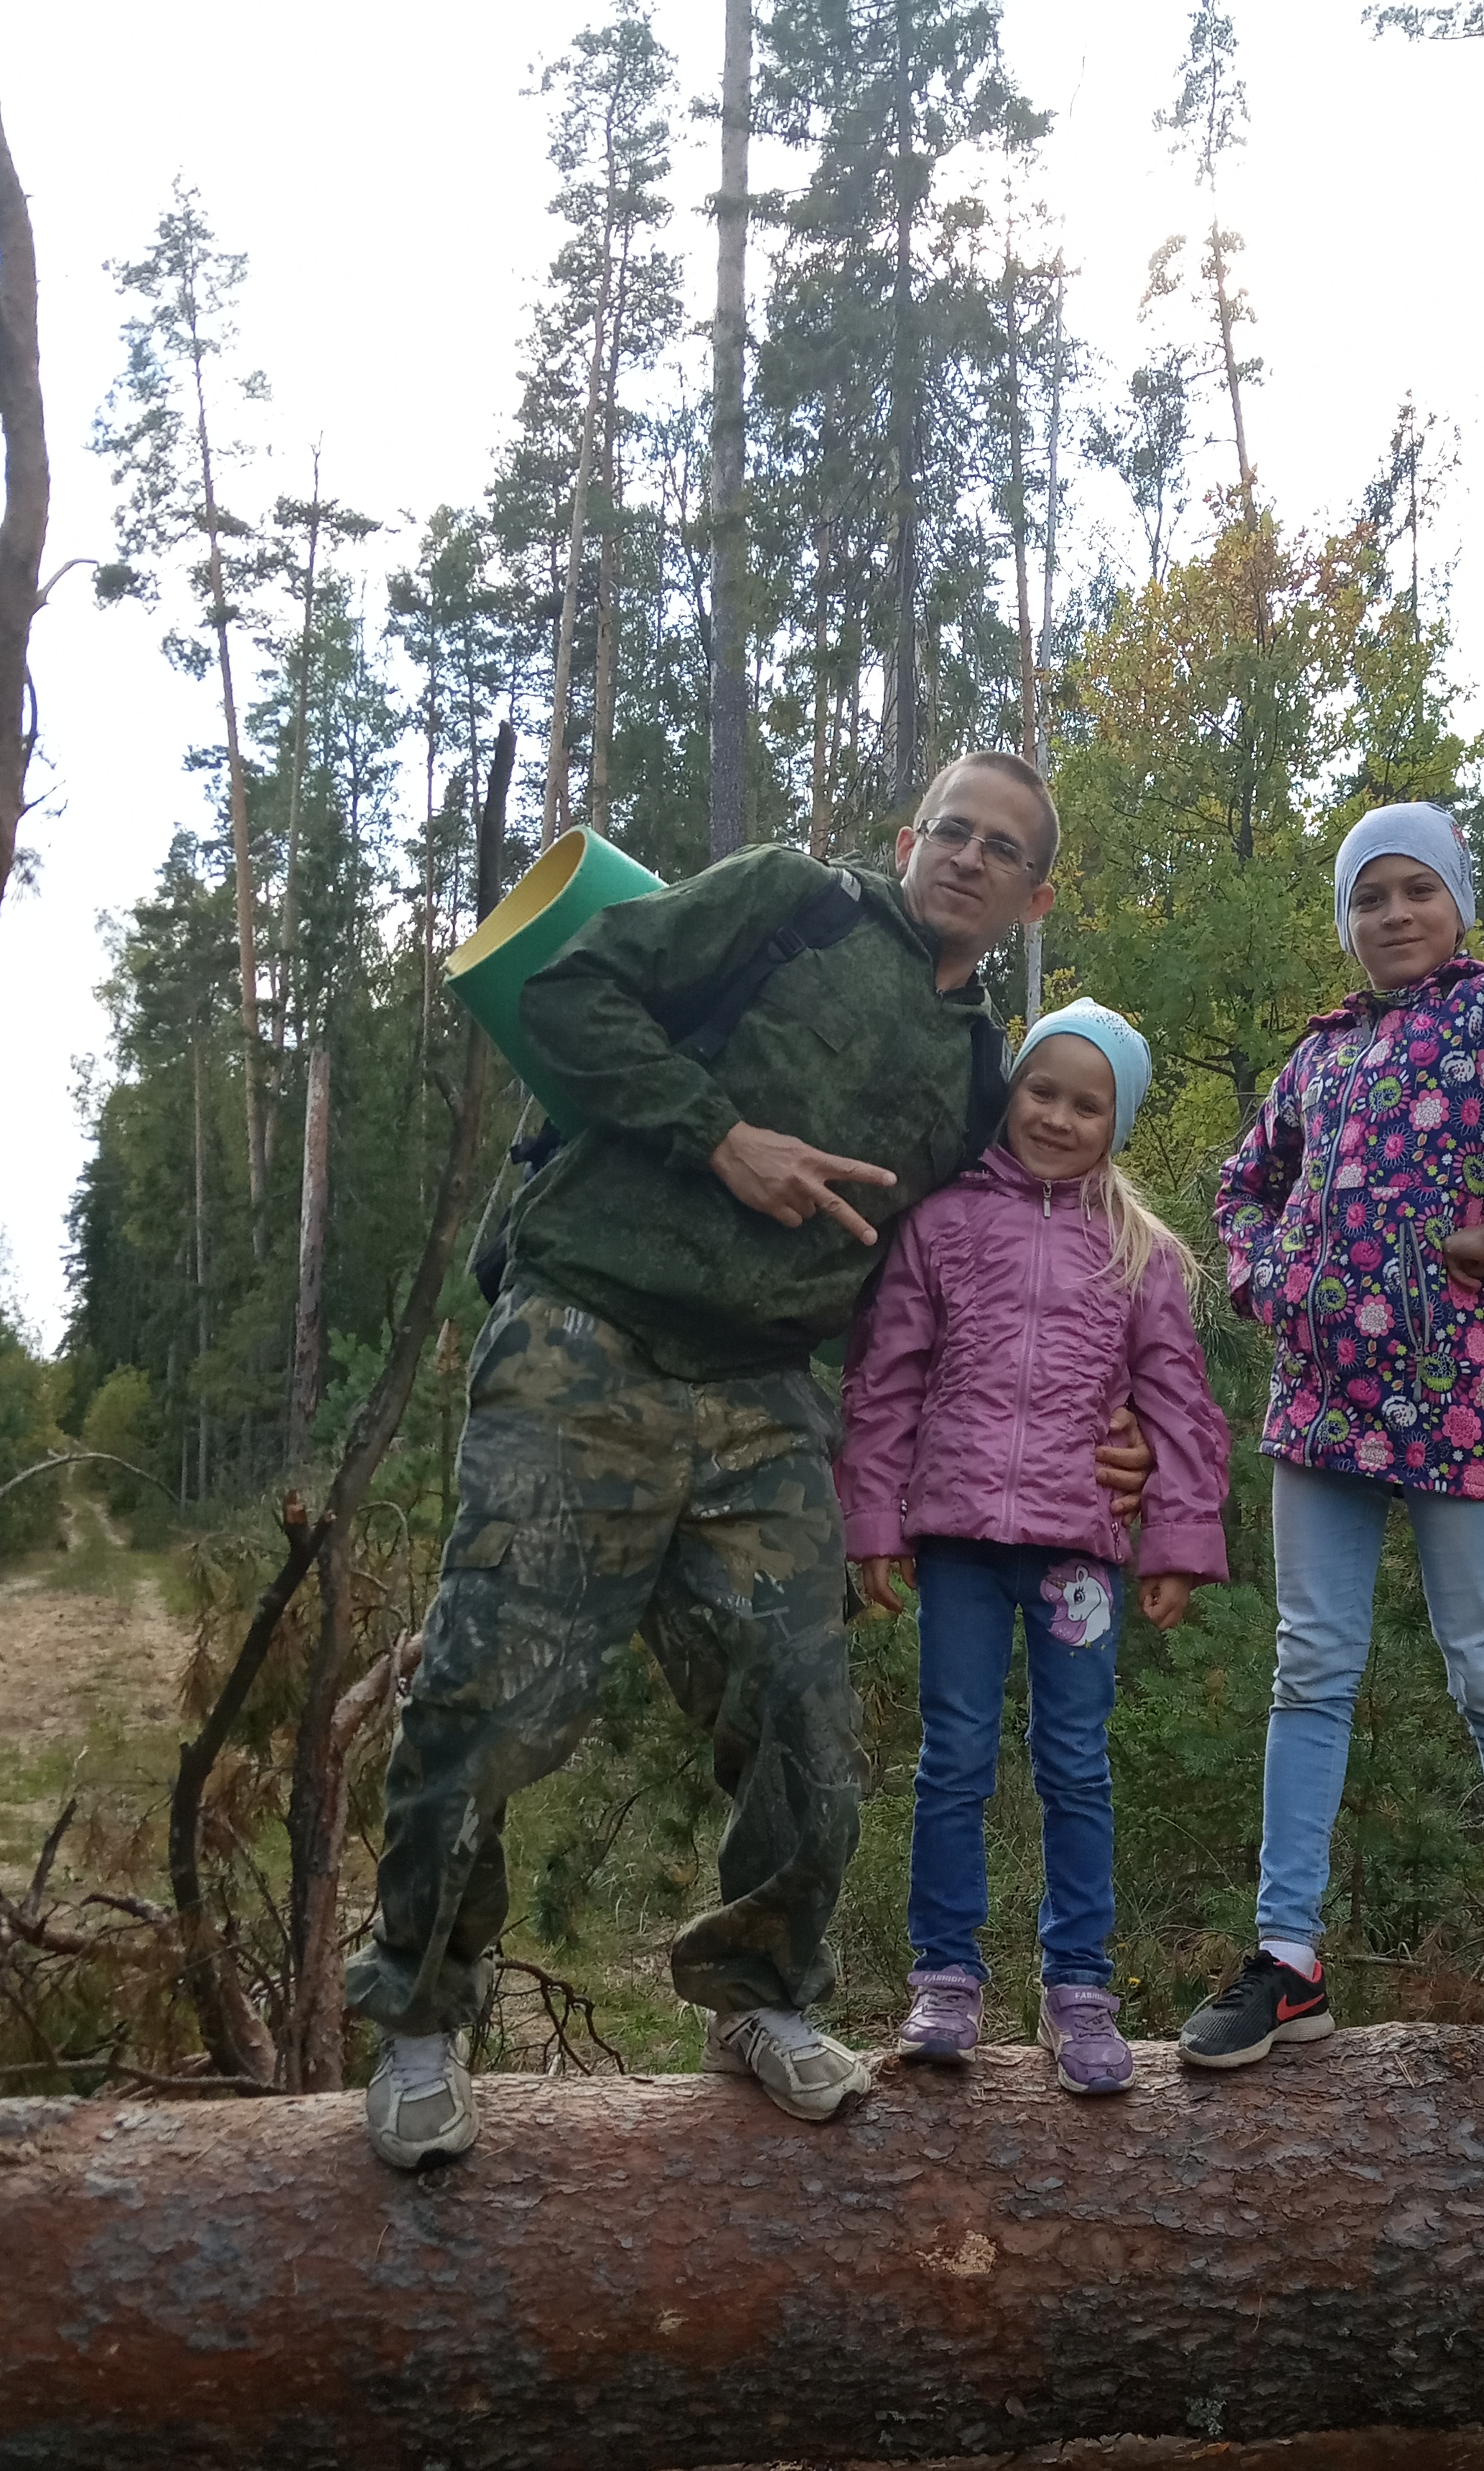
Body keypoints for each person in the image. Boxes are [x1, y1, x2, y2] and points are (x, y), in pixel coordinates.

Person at [348, 753, 1152, 2167]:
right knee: (490, 1692)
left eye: (1002, 848)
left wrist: (1104, 1422)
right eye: (952, 830)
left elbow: (987, 1271)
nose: (968, 857)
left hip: (767, 1394)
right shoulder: (792, 901)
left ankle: (759, 1994)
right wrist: (722, 1138)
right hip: (589, 1328)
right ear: (907, 839)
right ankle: (420, 2011)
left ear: (1036, 896)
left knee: (802, 1726)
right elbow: (565, 995)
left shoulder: (983, 1075)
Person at [1181, 803, 1484, 2085]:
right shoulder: (1321, 1053)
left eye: (1417, 890)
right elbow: (1241, 1185)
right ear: (1346, 920)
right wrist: (1266, 1278)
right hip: (1318, 1406)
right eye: (1369, 896)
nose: (1393, 914)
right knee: (1310, 1668)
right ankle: (1287, 1960)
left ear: (1458, 901)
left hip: (1460, 1392)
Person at [838, 1000, 1231, 2095]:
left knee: (1075, 1763)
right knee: (954, 1756)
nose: (1058, 1117)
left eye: (1086, 1105)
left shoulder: (1140, 1252)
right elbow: (887, 1377)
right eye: (1041, 1091)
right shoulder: (943, 1222)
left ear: (1119, 1122)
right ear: (1011, 1093)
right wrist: (873, 1521)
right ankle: (945, 1979)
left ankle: (1079, 1990)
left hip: (1077, 1555)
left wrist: (1177, 1542)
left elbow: (1179, 1402)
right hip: (957, 1541)